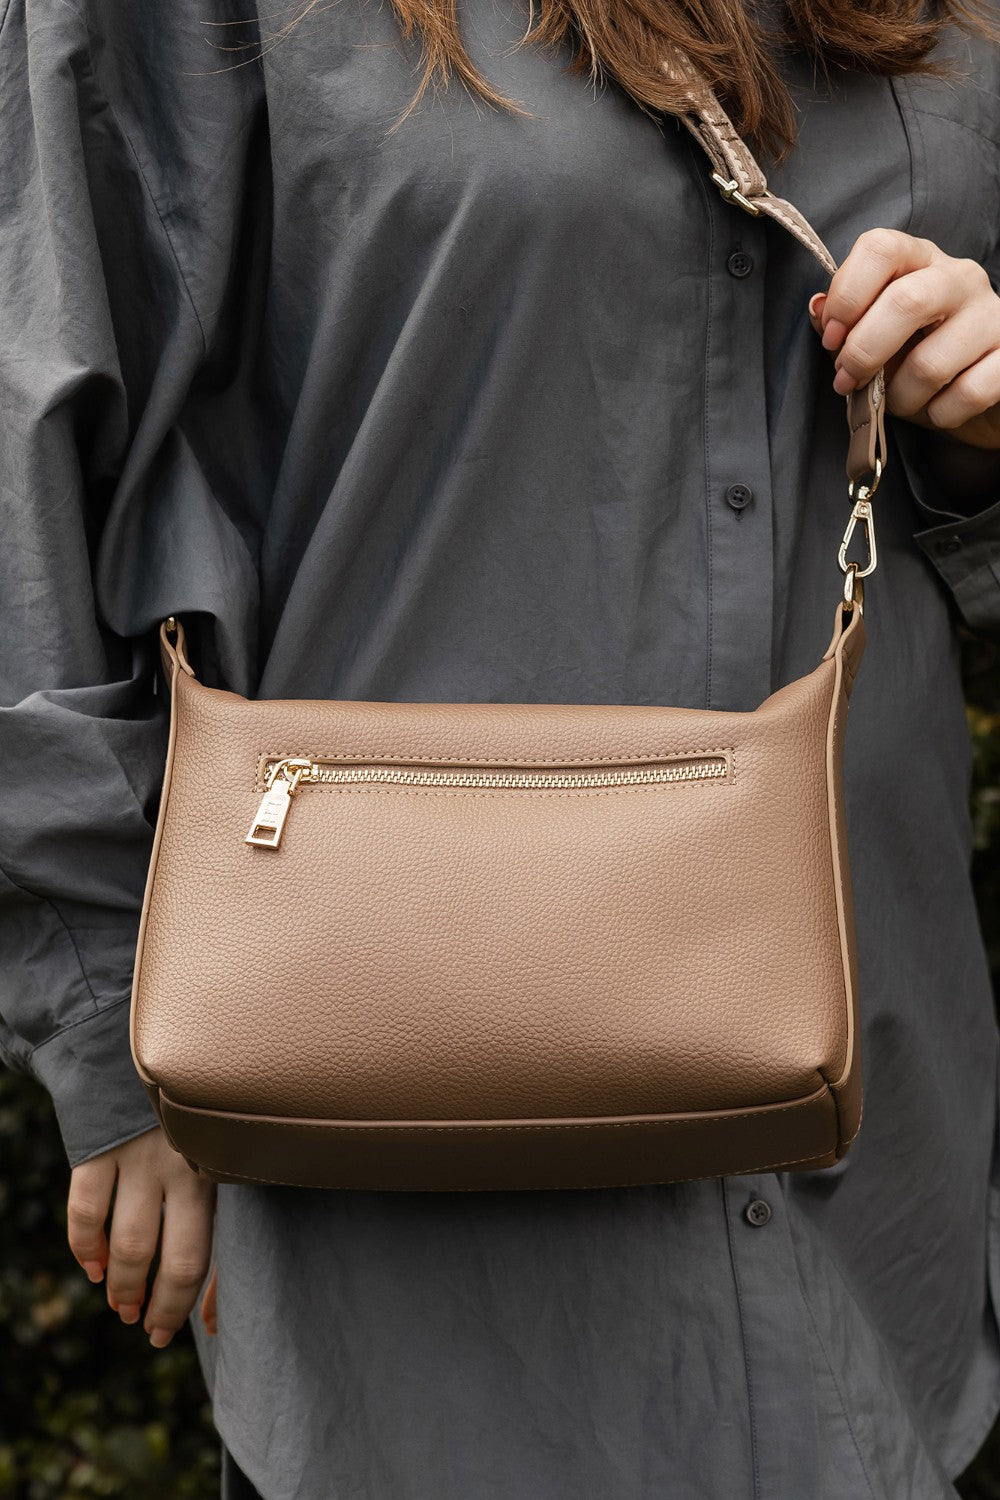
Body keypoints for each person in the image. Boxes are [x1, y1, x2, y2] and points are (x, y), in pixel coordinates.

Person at [2, 0, 1000, 1494]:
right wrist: (107, 1032)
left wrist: (974, 430)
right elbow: (35, 458)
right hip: (411, 1218)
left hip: (878, 1192)